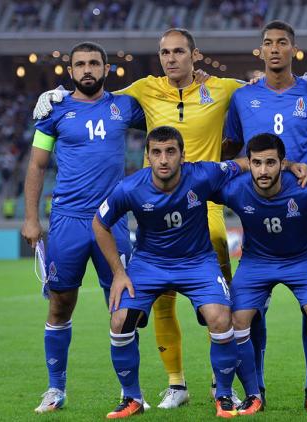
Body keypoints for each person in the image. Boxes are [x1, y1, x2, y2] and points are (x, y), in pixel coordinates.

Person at [32, 28, 307, 407]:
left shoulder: (224, 88)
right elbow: (97, 99)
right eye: (165, 52)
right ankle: (176, 384)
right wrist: (59, 96)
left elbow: (265, 86)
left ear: (195, 55)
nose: (171, 58)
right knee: (160, 299)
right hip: (155, 204)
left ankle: (220, 381)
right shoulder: (143, 89)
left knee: (225, 300)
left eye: (179, 51)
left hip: (204, 200)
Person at [223, 20, 307, 405]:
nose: (275, 48)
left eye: (282, 42)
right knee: (250, 312)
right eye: (268, 43)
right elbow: (227, 151)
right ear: (261, 50)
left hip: (305, 216)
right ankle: (255, 388)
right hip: (258, 216)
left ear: (293, 49)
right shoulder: (243, 98)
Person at [21, 42, 145, 414]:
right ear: (71, 71)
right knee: (60, 304)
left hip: (112, 220)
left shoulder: (125, 106)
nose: (87, 69)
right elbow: (37, 165)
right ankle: (55, 389)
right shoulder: (54, 111)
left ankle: (132, 394)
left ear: (106, 68)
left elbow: (168, 109)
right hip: (67, 222)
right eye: (80, 64)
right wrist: (31, 218)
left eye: (94, 63)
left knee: (122, 308)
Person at [93, 126, 243, 419]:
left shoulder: (203, 174)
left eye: (171, 152)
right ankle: (132, 398)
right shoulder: (130, 188)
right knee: (120, 320)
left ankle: (224, 394)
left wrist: (290, 165)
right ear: (147, 156)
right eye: (157, 153)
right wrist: (119, 273)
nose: (164, 159)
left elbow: (245, 164)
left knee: (220, 317)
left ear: (183, 156)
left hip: (197, 261)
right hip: (149, 263)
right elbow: (100, 223)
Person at [216, 133, 307, 416]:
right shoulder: (235, 190)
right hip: (256, 262)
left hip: (303, 260)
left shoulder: (304, 186)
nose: (263, 170)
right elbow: (194, 183)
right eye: (256, 163)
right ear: (248, 163)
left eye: (270, 163)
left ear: (283, 163)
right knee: (237, 321)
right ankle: (253, 395)